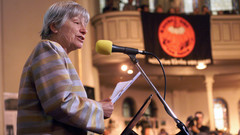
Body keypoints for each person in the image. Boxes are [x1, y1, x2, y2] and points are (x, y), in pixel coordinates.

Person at [17, 1, 114, 135]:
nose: (84, 30)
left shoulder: (57, 53)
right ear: (54, 26)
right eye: (76, 22)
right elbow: (60, 102)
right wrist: (99, 108)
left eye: (84, 24)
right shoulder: (48, 48)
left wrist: (96, 106)